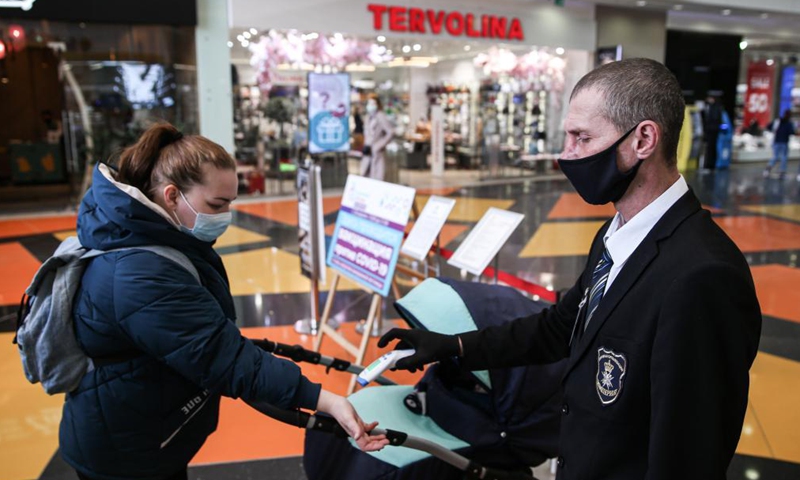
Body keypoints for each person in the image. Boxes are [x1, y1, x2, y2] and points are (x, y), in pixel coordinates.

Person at [379, 58, 761, 479]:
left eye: (582, 138)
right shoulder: (615, 234)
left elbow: (690, 453)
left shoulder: (703, 276)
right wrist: (454, 347)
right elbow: (559, 328)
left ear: (644, 139)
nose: (567, 155)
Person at [61, 123, 387, 480]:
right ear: (171, 196)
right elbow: (221, 356)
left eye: (231, 202)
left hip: (144, 421)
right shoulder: (137, 271)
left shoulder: (151, 236)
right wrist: (326, 401)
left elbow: (205, 336)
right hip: (123, 448)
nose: (226, 215)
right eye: (217, 204)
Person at [360, 95, 393, 180]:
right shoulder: (368, 117)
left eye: (373, 103)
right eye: (369, 103)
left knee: (377, 176)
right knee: (365, 174)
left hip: (376, 151)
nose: (370, 105)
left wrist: (379, 145)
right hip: (367, 150)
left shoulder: (381, 116)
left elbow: (390, 132)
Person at [763, 110, 796, 178]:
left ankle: (767, 169)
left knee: (775, 156)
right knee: (784, 157)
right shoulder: (788, 123)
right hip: (784, 142)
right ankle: (782, 172)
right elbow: (792, 132)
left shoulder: (778, 121)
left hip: (776, 141)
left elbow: (769, 126)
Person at [701, 94, 724, 170]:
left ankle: (709, 165)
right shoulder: (716, 107)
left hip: (712, 130)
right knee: (711, 148)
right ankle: (709, 164)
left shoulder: (714, 108)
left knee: (711, 148)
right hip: (713, 130)